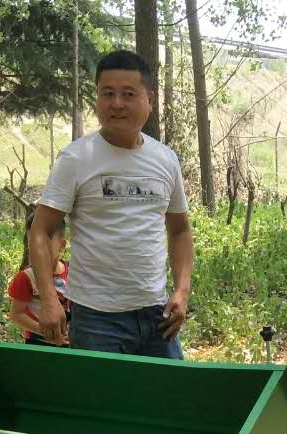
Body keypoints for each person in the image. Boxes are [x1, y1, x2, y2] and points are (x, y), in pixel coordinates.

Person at [28, 49, 193, 358]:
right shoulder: (77, 158)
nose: (117, 103)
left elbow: (180, 231)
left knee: (170, 402)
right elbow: (42, 230)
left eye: (128, 94)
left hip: (158, 315)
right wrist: (49, 299)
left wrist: (182, 292)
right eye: (108, 93)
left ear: (149, 100)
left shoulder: (165, 159)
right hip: (97, 319)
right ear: (97, 100)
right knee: (103, 404)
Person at [7, 208, 70, 346]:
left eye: (46, 241)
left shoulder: (72, 272)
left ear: (62, 245)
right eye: (32, 242)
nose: (37, 247)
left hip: (69, 343)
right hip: (38, 343)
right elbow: (16, 314)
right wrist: (46, 332)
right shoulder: (26, 277)